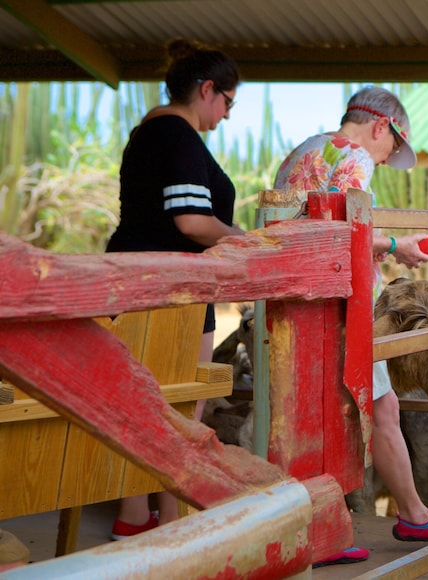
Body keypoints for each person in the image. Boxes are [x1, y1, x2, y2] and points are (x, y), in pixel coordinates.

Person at [273, 86, 428, 567]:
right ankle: (413, 515)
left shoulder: (301, 152)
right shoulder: (355, 157)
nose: (387, 159)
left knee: (308, 419)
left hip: (295, 308)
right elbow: (348, 234)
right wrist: (396, 247)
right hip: (342, 309)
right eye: (393, 147)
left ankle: (311, 530)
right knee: (383, 409)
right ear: (380, 126)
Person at [105, 38, 244, 540]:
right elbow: (191, 221)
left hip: (135, 278)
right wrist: (247, 241)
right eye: (227, 102)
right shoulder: (178, 136)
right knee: (182, 409)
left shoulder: (149, 132)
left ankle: (137, 516)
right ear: (207, 90)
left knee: (143, 403)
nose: (225, 116)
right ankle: (174, 526)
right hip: (172, 288)